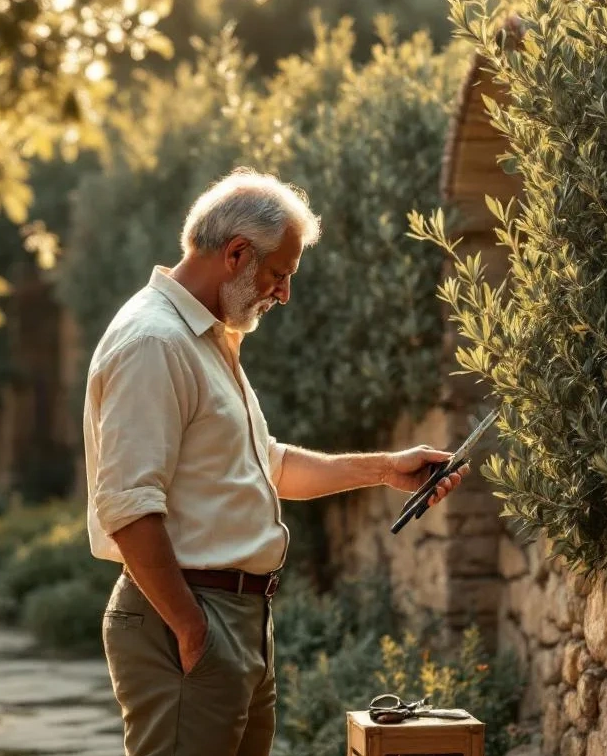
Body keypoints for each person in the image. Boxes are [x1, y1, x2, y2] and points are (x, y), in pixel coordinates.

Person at [82, 167, 469, 756]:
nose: (284, 293)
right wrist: (192, 630)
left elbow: (268, 466)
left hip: (234, 619)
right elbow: (128, 507)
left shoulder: (204, 340)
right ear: (236, 252)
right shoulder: (154, 343)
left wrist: (388, 468)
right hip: (189, 616)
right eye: (279, 273)